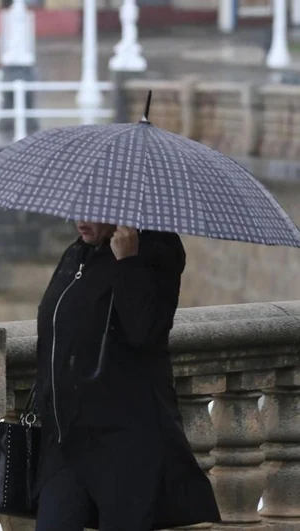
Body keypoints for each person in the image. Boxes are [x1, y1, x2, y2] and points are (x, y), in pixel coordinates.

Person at [32, 221, 221, 531]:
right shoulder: (79, 252)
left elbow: (145, 333)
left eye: (93, 209)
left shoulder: (156, 251)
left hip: (124, 441)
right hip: (67, 439)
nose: (81, 219)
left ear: (119, 209)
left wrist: (128, 262)